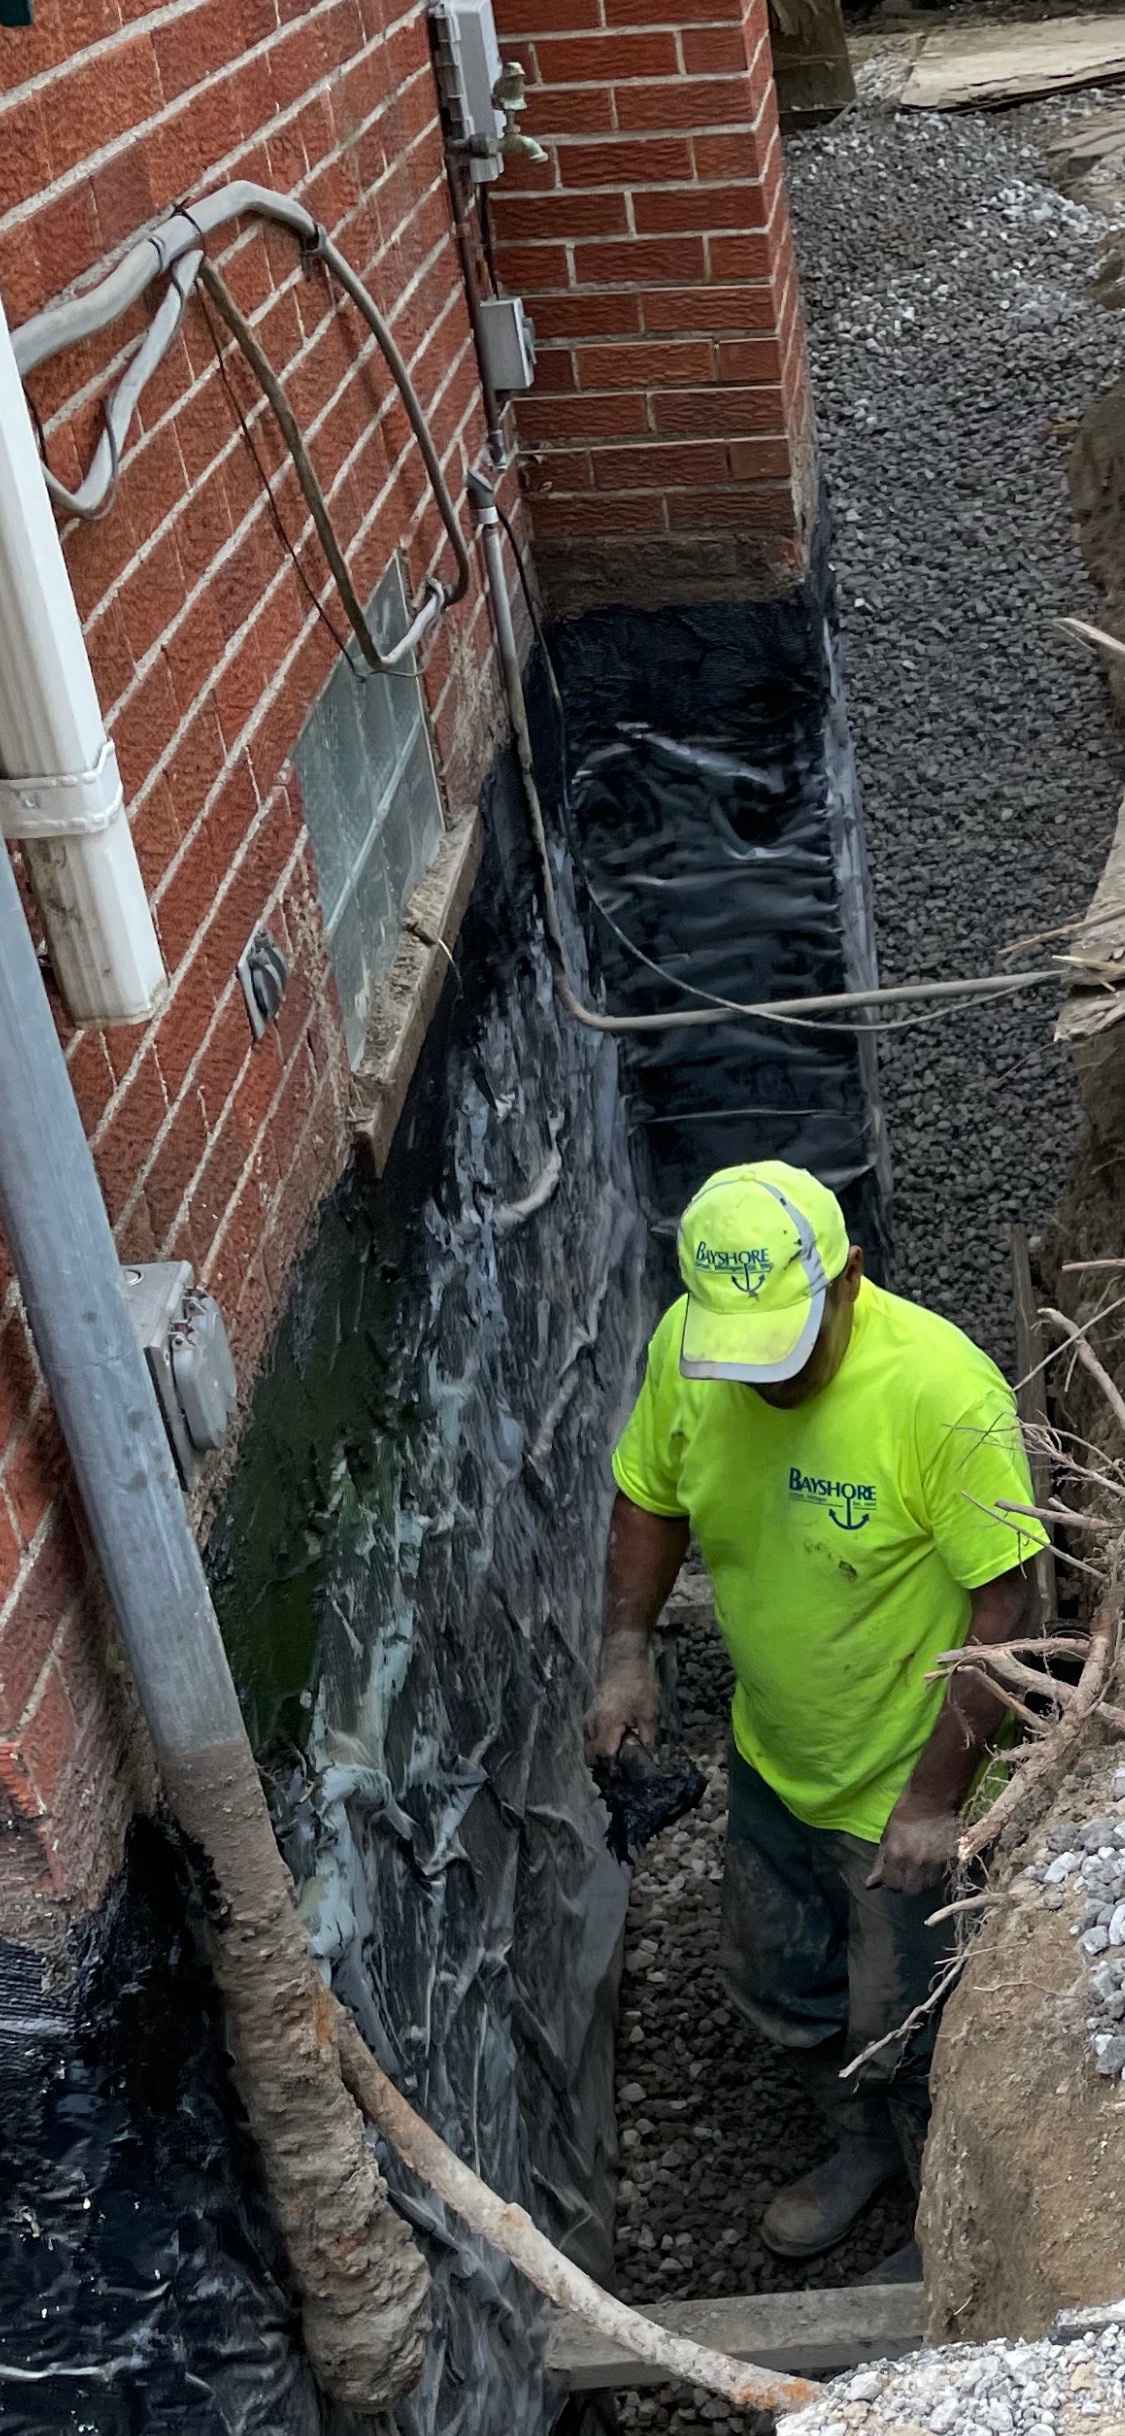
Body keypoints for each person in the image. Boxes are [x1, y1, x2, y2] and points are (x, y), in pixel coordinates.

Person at [585, 1160, 1044, 2265]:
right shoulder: (690, 1354)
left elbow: (1008, 1604)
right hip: (778, 1759)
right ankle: (862, 2145)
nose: (767, 1384)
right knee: (773, 1975)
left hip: (904, 1774)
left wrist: (936, 1798)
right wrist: (626, 1648)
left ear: (848, 1280)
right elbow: (648, 1492)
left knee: (917, 2020)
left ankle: (948, 2214)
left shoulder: (940, 1393)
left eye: (787, 1351)